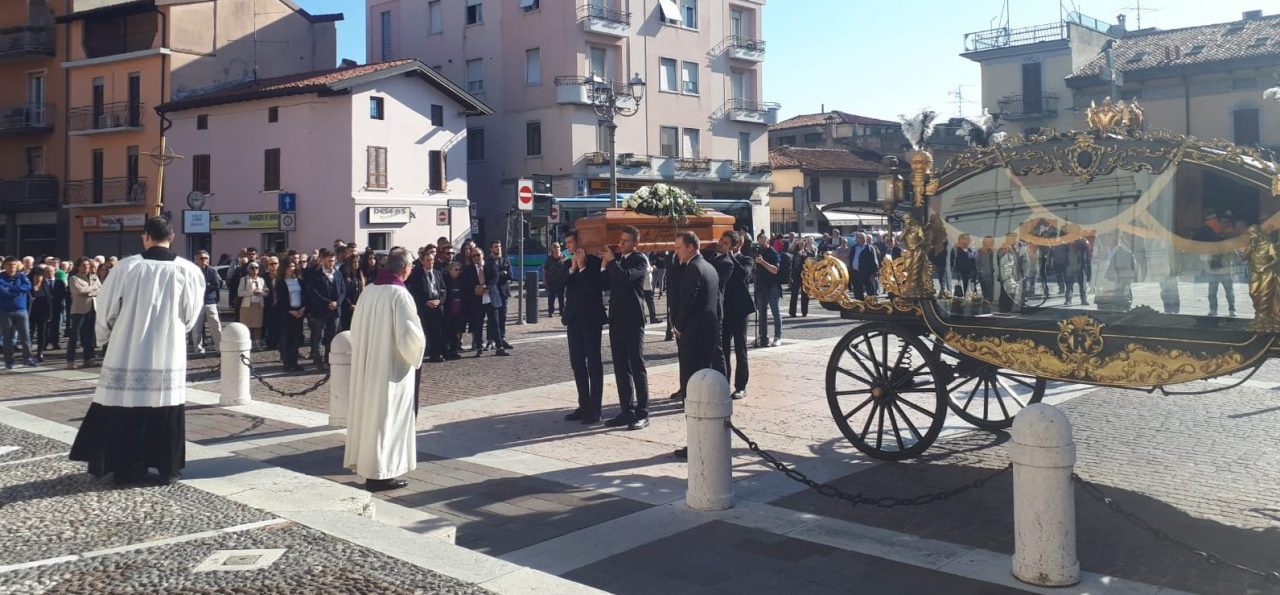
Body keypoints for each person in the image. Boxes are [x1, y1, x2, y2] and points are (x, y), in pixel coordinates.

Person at [69, 217, 203, 485]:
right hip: (168, 348)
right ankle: (167, 468)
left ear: (145, 237)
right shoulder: (189, 271)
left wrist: (104, 335)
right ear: (172, 237)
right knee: (165, 403)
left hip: (128, 347)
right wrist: (178, 330)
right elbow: (192, 314)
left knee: (125, 403)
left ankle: (124, 467)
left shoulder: (126, 267)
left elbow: (106, 306)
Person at [344, 250, 425, 492]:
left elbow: (355, 328)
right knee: (387, 418)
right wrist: (419, 350)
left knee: (372, 418)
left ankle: (373, 469)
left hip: (370, 364)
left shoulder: (369, 290)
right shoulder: (399, 294)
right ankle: (381, 473)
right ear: (405, 268)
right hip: (391, 369)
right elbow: (409, 335)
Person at [603, 225, 651, 431]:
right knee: (620, 367)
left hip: (633, 319)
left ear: (635, 243)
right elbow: (606, 284)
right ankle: (626, 410)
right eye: (620, 240)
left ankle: (643, 412)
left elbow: (624, 278)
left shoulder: (639, 260)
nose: (621, 244)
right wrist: (604, 264)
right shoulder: (618, 261)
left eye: (626, 241)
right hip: (616, 319)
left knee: (636, 366)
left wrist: (612, 261)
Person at [562, 230, 605, 425]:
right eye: (567, 244)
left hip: (591, 320)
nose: (568, 247)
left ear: (580, 243)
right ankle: (584, 404)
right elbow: (557, 285)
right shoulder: (567, 263)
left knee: (593, 365)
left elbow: (595, 288)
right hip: (573, 319)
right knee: (577, 364)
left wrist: (582, 268)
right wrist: (572, 270)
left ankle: (595, 409)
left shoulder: (594, 263)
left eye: (570, 243)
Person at [718, 231, 753, 400]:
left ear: (735, 246)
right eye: (721, 241)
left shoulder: (746, 259)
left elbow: (743, 274)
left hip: (739, 310)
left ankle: (741, 386)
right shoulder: (718, 260)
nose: (721, 244)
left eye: (725, 242)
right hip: (724, 310)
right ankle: (723, 383)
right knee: (723, 349)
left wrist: (730, 256)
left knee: (740, 348)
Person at [304, 248, 346, 370]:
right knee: (319, 336)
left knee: (332, 336)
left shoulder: (337, 273)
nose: (331, 263)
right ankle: (318, 360)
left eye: (333, 261)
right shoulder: (316, 274)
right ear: (323, 260)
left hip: (335, 310)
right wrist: (328, 302)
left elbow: (343, 290)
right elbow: (313, 292)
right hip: (321, 310)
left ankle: (329, 360)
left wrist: (337, 303)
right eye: (328, 261)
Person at [408, 245, 446, 363]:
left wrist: (440, 300)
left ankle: (437, 354)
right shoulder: (416, 275)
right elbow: (413, 293)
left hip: (437, 305)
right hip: (425, 307)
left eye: (432, 260)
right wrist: (425, 302)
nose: (431, 263)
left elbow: (444, 290)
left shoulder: (437, 273)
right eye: (428, 260)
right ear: (422, 261)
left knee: (438, 331)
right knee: (425, 331)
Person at [0, 257, 35, 369]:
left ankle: (28, 359)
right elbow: (3, 292)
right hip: (6, 311)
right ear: (4, 266)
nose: (12, 267)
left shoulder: (21, 276)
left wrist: (12, 288)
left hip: (21, 310)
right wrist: (18, 290)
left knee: (26, 336)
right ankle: (9, 361)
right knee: (8, 337)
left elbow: (28, 286)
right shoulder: (1, 277)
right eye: (9, 265)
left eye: (14, 264)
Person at [273, 260, 307, 372]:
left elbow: (304, 295)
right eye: (289, 266)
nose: (291, 268)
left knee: (296, 338)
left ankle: (294, 362)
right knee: (287, 338)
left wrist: (302, 309)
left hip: (299, 312)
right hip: (286, 313)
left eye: (293, 266)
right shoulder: (281, 282)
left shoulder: (299, 281)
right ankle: (287, 363)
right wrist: (289, 310)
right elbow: (281, 300)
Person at [67, 257, 100, 369]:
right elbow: (80, 291)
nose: (86, 267)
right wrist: (93, 290)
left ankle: (88, 359)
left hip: (92, 309)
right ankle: (70, 361)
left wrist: (90, 291)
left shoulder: (94, 277)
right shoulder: (74, 278)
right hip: (79, 310)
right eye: (83, 265)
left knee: (89, 336)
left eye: (87, 265)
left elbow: (101, 289)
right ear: (78, 266)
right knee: (75, 336)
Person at [483, 240, 513, 355]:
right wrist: (502, 273)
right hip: (493, 292)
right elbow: (490, 276)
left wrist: (503, 274)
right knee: (492, 318)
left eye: (499, 246)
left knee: (502, 316)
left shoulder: (505, 260)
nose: (498, 248)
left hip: (503, 292)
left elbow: (510, 275)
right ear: (491, 249)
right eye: (496, 247)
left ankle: (502, 337)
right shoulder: (488, 262)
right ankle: (491, 339)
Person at [190, 251, 223, 355]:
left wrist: (203, 285)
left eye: (206, 258)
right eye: (201, 258)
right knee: (197, 328)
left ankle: (219, 348)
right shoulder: (192, 271)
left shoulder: (212, 271)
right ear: (196, 260)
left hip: (210, 301)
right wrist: (206, 285)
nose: (204, 260)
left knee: (216, 325)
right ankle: (198, 349)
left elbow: (216, 285)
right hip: (196, 303)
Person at [753, 231, 782, 347]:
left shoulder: (772, 252)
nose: (761, 241)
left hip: (772, 286)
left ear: (768, 240)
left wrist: (762, 262)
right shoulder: (758, 252)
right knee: (762, 314)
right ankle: (763, 337)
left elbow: (775, 270)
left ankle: (778, 336)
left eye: (763, 239)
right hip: (760, 286)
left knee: (776, 313)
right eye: (759, 239)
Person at [459, 246, 486, 355]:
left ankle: (496, 342)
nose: (476, 257)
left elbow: (494, 277)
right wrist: (474, 288)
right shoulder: (468, 269)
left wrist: (487, 287)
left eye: (478, 255)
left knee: (494, 320)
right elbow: (465, 284)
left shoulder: (488, 265)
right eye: (473, 256)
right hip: (475, 299)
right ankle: (478, 345)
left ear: (482, 255)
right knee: (477, 323)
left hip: (489, 297)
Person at [237, 262, 267, 349]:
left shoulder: (261, 280)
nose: (255, 270)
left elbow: (265, 292)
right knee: (246, 325)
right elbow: (239, 293)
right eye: (252, 268)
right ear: (248, 269)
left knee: (258, 325)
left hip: (258, 305)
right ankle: (246, 343)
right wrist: (252, 292)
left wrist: (263, 292)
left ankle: (257, 344)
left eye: (257, 268)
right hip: (247, 305)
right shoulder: (244, 279)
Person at [441, 261, 466, 360]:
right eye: (456, 270)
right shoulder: (445, 280)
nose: (458, 272)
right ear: (450, 270)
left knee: (456, 332)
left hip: (458, 309)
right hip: (448, 309)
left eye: (459, 270)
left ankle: (454, 350)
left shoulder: (461, 280)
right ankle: (445, 351)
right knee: (447, 331)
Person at [29, 266, 52, 362]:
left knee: (42, 334)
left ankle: (40, 352)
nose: (38, 278)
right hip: (30, 313)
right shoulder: (28, 286)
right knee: (29, 333)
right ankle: (28, 352)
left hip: (42, 314)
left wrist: (50, 314)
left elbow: (49, 300)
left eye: (41, 276)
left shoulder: (44, 285)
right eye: (36, 276)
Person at [849, 232, 880, 300]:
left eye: (861, 238)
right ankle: (859, 306)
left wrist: (874, 274)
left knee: (870, 293)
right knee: (857, 293)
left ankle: (872, 307)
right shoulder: (854, 248)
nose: (859, 239)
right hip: (855, 273)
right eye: (858, 238)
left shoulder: (870, 248)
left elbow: (875, 262)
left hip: (866, 274)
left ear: (865, 239)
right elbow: (851, 259)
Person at [340, 251, 365, 332]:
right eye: (354, 262)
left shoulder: (360, 276)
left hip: (359, 307)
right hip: (348, 308)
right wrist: (350, 304)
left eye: (358, 262)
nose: (356, 263)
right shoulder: (346, 276)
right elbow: (344, 292)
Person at [543, 242, 567, 317]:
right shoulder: (549, 259)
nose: (557, 248)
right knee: (551, 297)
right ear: (552, 249)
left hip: (561, 281)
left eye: (558, 247)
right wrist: (544, 280)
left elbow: (568, 268)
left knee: (561, 297)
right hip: (551, 281)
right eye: (555, 247)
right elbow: (545, 269)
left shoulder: (564, 257)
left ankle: (561, 311)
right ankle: (551, 312)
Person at [788, 241, 812, 317]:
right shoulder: (795, 252)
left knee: (805, 293)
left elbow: (813, 254)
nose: (802, 245)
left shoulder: (806, 251)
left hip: (805, 274)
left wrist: (809, 245)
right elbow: (790, 250)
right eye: (800, 244)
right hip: (796, 274)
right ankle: (792, 312)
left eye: (803, 244)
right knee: (794, 293)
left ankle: (804, 312)